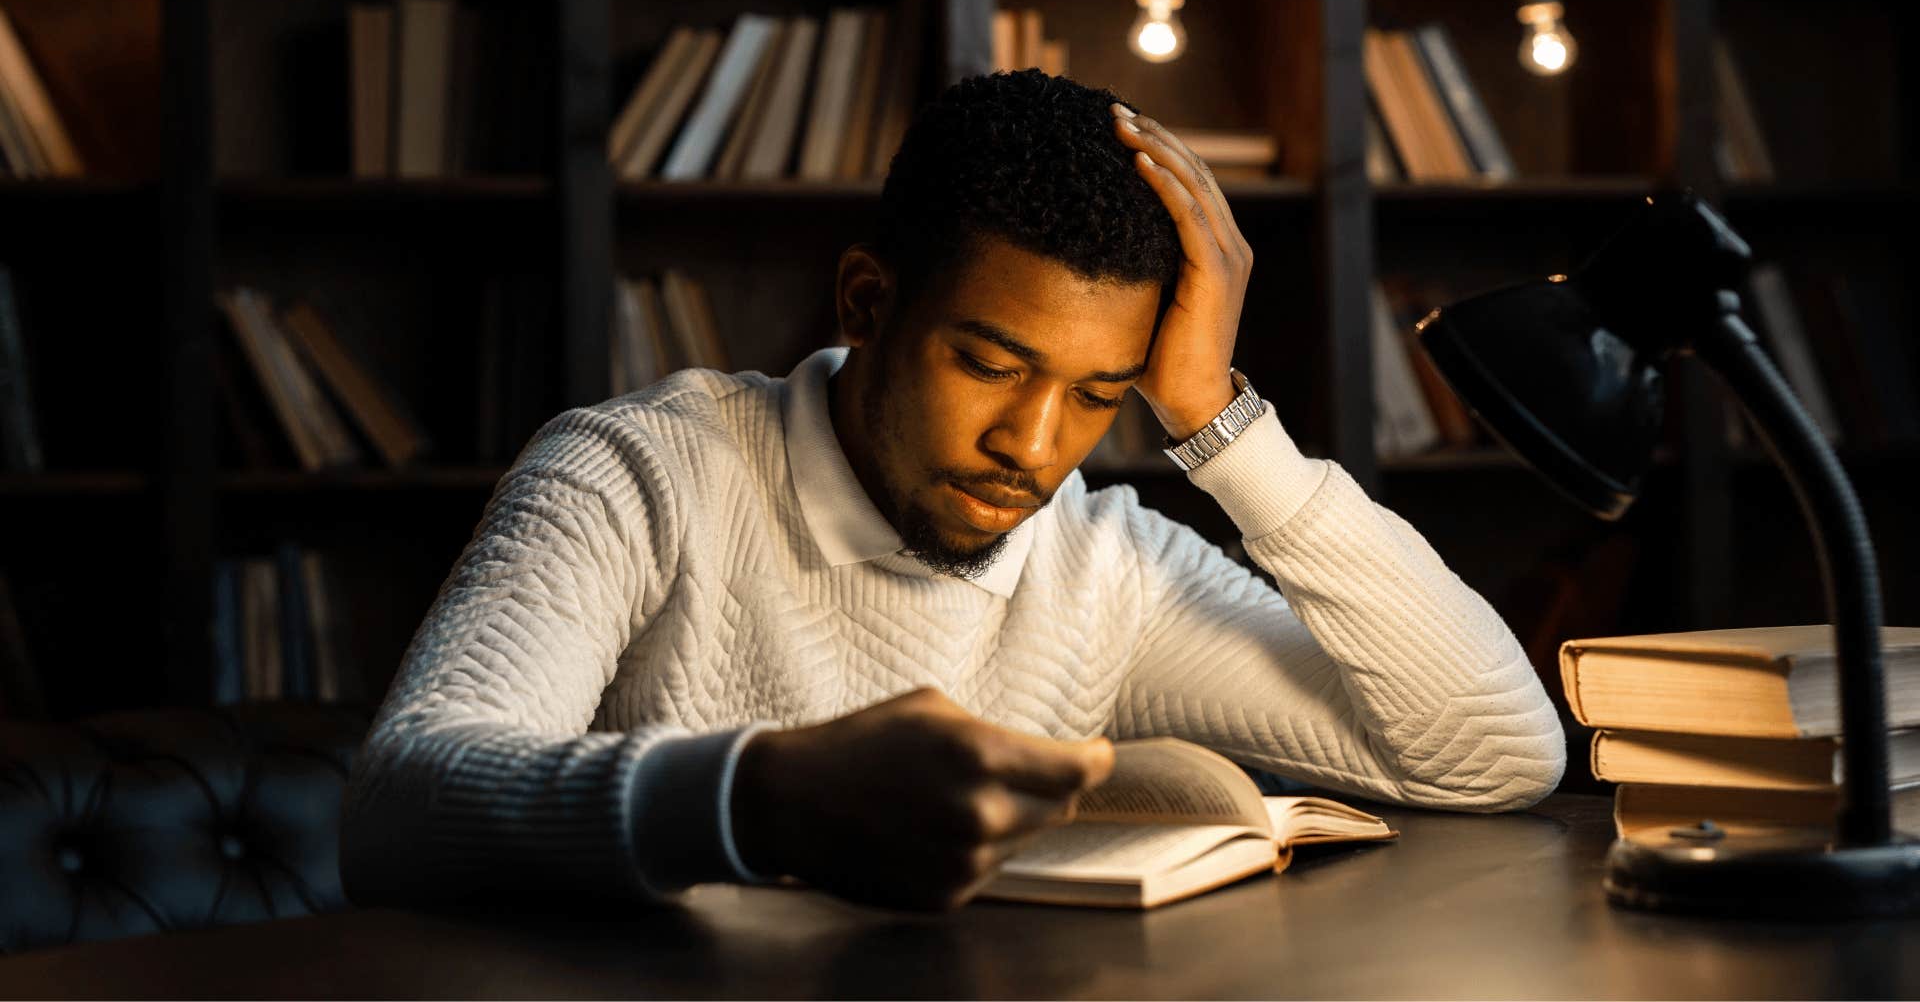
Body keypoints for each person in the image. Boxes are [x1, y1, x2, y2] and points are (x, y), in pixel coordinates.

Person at [340, 70, 1565, 913]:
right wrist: (765, 798)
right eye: (989, 363)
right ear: (868, 303)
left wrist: (1215, 421)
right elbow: (397, 807)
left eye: (1099, 393)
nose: (1033, 448)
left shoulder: (1101, 564)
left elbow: (1496, 755)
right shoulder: (642, 473)